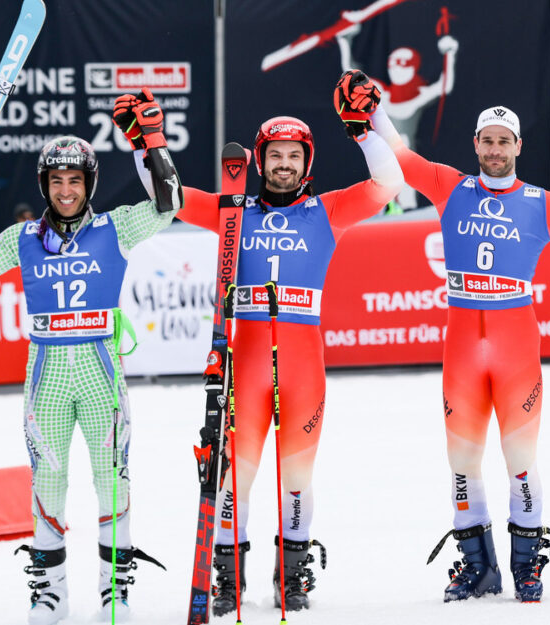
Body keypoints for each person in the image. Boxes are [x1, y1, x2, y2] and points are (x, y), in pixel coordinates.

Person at [114, 72, 401, 615]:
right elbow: (166, 199)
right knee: (231, 482)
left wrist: (365, 132)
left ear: (306, 163)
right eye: (276, 156)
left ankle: (291, 577)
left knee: (296, 481)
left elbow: (389, 186)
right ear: (260, 160)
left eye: (295, 156)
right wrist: (143, 144)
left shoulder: (328, 212)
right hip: (242, 365)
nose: (285, 165)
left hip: (303, 370)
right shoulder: (232, 211)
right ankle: (227, 578)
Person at [367, 92, 550, 603]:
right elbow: (399, 154)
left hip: (515, 347)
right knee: (461, 461)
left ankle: (528, 567)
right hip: (461, 346)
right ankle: (478, 567)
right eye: (488, 140)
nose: (496, 148)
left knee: (520, 458)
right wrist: (372, 110)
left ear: (519, 146)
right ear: (476, 144)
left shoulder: (542, 203)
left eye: (505, 141)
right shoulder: (449, 186)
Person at [0, 92, 181, 625]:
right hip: (45, 375)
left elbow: (169, 203)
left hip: (100, 373)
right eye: (56, 182)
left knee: (112, 479)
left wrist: (150, 142)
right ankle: (50, 592)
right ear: (44, 186)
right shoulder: (24, 237)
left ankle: (115, 590)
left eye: (75, 181)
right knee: (47, 482)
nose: (66, 191)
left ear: (89, 184)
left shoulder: (114, 228)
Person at [335, 17, 459, 210]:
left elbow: (444, 85)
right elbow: (351, 74)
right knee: (380, 196)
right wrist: (345, 41)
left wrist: (449, 54)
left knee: (407, 195)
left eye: (403, 64)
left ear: (413, 67)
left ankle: (405, 213)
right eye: (394, 63)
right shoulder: (380, 91)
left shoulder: (418, 95)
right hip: (379, 157)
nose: (396, 68)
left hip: (406, 157)